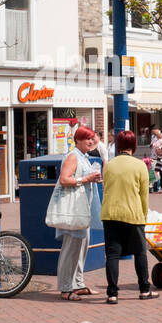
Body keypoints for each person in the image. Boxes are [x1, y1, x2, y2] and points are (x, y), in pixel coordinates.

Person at [100, 130, 154, 303]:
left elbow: (106, 188)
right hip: (133, 214)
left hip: (110, 214)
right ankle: (144, 290)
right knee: (140, 253)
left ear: (118, 145)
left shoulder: (109, 165)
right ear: (134, 145)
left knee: (112, 254)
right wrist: (143, 216)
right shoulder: (140, 166)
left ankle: (112, 293)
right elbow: (144, 195)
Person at [56, 126, 102, 300]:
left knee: (82, 247)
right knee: (71, 248)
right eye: (87, 139)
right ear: (78, 140)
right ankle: (65, 288)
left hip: (83, 209)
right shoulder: (73, 156)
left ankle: (78, 284)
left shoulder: (84, 157)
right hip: (74, 210)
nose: (91, 142)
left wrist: (93, 178)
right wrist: (86, 179)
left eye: (92, 138)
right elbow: (64, 179)